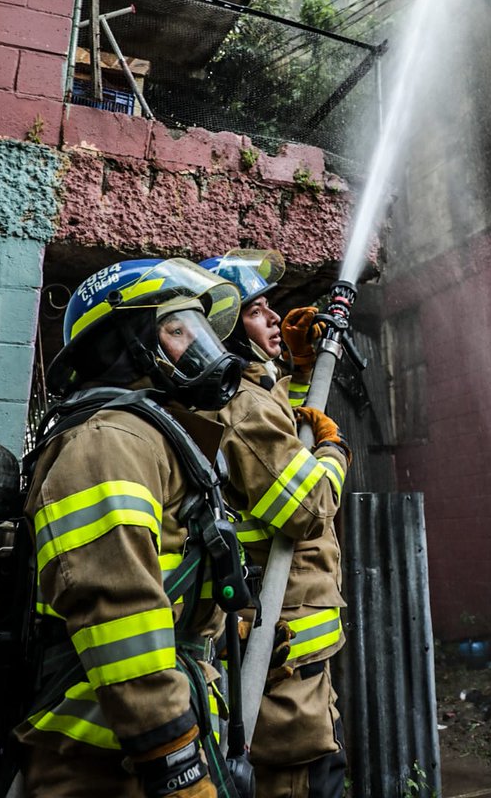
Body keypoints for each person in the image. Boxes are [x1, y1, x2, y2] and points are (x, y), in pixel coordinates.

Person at [15, 257, 249, 798]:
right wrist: (173, 760)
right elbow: (117, 611)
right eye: (177, 330)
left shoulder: (149, 437)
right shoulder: (108, 441)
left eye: (198, 331)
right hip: (105, 763)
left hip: (135, 750)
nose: (201, 348)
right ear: (125, 344)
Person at [200, 249, 350, 798]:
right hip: (281, 656)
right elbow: (307, 506)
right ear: (224, 328)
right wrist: (334, 450)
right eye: (256, 311)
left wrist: (302, 371)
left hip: (289, 651)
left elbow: (285, 437)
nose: (273, 318)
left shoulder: (249, 394)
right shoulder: (243, 404)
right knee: (296, 780)